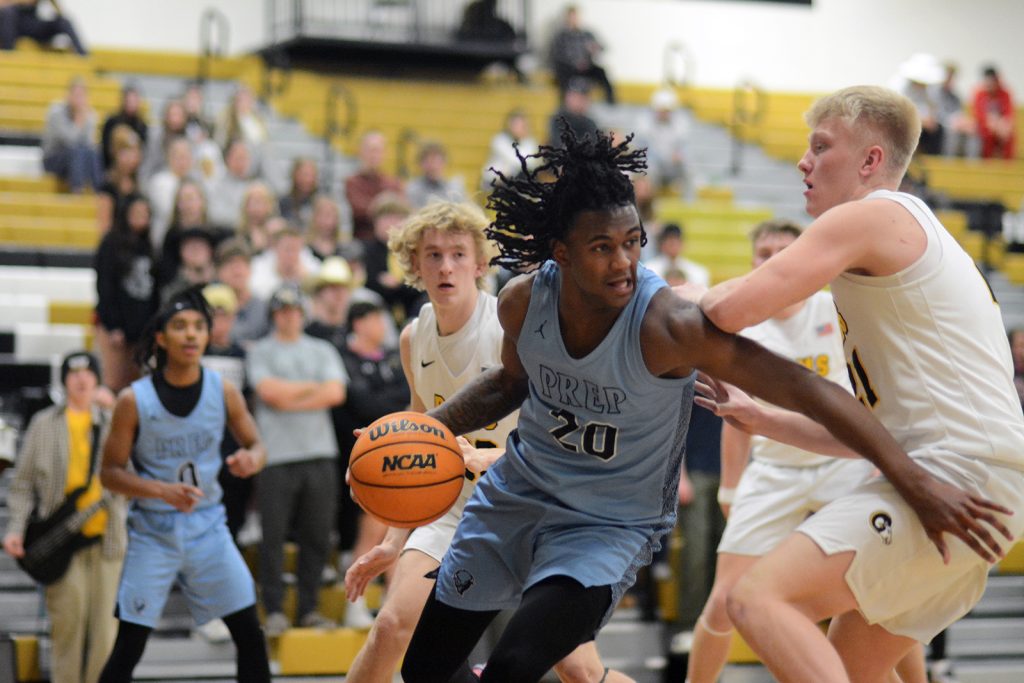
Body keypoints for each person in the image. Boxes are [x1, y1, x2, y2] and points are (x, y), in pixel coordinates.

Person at [397, 123, 1009, 683]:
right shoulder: (523, 300)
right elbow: (508, 383)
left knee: (513, 667)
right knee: (424, 669)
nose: (624, 263)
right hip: (516, 497)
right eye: (602, 247)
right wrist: (419, 429)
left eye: (633, 242)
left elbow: (809, 389)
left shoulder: (667, 325)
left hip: (605, 525)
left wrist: (914, 481)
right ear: (560, 251)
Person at [692, 85, 1024, 682]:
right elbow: (868, 433)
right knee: (846, 666)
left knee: (756, 599)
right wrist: (764, 420)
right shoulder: (904, 236)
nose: (804, 162)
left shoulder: (872, 215)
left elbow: (727, 310)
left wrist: (658, 295)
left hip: (958, 476)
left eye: (822, 146)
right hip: (980, 483)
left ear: (871, 160)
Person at [343, 199, 624, 683]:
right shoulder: (414, 338)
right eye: (433, 255)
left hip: (532, 505)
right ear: (414, 265)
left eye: (457, 254)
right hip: (452, 506)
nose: (445, 266)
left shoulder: (510, 328)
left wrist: (490, 457)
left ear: (479, 264)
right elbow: (420, 434)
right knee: (390, 626)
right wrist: (392, 539)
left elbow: (568, 431)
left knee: (578, 668)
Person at [685, 218, 926, 683]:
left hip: (843, 463)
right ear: (752, 262)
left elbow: (884, 390)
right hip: (775, 468)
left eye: (783, 251)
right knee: (723, 600)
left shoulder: (838, 308)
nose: (773, 260)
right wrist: (730, 488)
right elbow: (735, 418)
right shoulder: (739, 326)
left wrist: (882, 460)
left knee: (877, 599)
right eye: (764, 253)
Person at [97, 287, 270, 683]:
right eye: (180, 326)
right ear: (161, 338)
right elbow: (109, 473)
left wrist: (251, 460)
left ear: (207, 335)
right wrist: (161, 491)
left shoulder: (223, 390)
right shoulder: (133, 400)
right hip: (153, 532)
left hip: (209, 527)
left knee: (250, 634)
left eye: (198, 326)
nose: (191, 334)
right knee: (129, 645)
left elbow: (257, 445)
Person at [3, 351, 126, 683]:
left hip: (107, 540)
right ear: (64, 380)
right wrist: (15, 528)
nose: (82, 379)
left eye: (89, 373)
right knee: (67, 629)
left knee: (105, 634)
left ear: (98, 379)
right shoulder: (45, 423)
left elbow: (140, 464)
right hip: (61, 539)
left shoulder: (113, 420)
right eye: (74, 373)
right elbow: (23, 483)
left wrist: (117, 408)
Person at [247, 283, 347, 636]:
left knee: (317, 536)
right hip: (276, 455)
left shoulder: (321, 349)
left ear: (302, 314)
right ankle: (273, 608)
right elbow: (268, 392)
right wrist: (311, 388)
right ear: (274, 315)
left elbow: (335, 393)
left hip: (319, 452)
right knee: (272, 537)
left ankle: (309, 609)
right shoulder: (261, 350)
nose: (289, 317)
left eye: (294, 311)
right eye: (282, 311)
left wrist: (290, 395)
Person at [334, 300, 410, 628]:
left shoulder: (392, 357)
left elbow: (407, 395)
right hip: (363, 453)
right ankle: (355, 602)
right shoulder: (345, 357)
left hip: (400, 450)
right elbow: (363, 403)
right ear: (359, 323)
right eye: (376, 319)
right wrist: (391, 407)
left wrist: (389, 406)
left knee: (398, 530)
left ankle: (392, 603)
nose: (382, 326)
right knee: (373, 527)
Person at [93, 194, 158, 393]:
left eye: (145, 213)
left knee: (139, 386)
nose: (141, 217)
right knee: (113, 384)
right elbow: (105, 286)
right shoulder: (111, 243)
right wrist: (113, 325)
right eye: (136, 212)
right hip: (116, 329)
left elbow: (155, 290)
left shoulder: (150, 246)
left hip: (142, 331)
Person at [42, 76, 102, 193]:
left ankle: (99, 191)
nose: (79, 99)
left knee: (93, 153)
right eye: (76, 95)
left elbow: (89, 144)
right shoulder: (56, 113)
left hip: (77, 160)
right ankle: (76, 191)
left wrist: (85, 119)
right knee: (76, 152)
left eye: (82, 96)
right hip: (53, 159)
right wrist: (79, 120)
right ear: (68, 95)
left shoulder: (90, 115)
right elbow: (70, 141)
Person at [548, 4, 615, 104]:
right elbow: (556, 55)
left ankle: (611, 101)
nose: (574, 20)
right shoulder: (561, 36)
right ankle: (564, 103)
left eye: (576, 17)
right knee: (562, 72)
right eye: (572, 17)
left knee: (601, 71)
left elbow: (602, 48)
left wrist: (595, 48)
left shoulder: (587, 34)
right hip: (569, 68)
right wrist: (574, 63)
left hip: (586, 67)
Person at [345, 130, 404, 240]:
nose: (374, 155)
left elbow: (401, 210)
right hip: (363, 241)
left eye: (378, 151)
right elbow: (360, 209)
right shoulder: (352, 182)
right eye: (370, 150)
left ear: (384, 154)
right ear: (361, 152)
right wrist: (387, 205)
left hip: (390, 241)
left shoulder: (393, 183)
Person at [480, 108, 540, 193]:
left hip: (515, 180)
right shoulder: (499, 140)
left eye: (523, 125)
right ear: (509, 124)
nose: (520, 128)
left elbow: (531, 164)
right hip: (492, 181)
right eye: (517, 124)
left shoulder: (530, 142)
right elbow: (517, 160)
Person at [0, 0, 87, 54]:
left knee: (63, 22)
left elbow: (59, 12)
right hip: (14, 27)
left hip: (33, 25)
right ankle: (8, 53)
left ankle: (82, 54)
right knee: (8, 13)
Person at [643, 223, 710, 288]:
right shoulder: (649, 270)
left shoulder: (698, 272)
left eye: (676, 240)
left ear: (682, 243)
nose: (673, 244)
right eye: (669, 240)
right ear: (661, 244)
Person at [405, 141, 467, 209]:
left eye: (435, 160)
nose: (432, 166)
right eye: (427, 161)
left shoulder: (455, 189)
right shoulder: (412, 189)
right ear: (421, 164)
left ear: (444, 162)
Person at [100, 84, 148, 171]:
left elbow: (143, 150)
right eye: (129, 100)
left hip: (136, 169)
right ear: (123, 101)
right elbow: (105, 149)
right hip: (112, 167)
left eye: (134, 101)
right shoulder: (112, 122)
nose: (131, 104)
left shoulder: (142, 126)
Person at [973, 65, 1016, 159]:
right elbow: (979, 115)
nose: (989, 84)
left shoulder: (1005, 94)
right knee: (986, 133)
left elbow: (1009, 114)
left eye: (992, 81)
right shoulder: (979, 94)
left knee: (1008, 133)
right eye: (987, 81)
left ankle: (1007, 163)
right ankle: (988, 162)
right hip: (985, 126)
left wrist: (1001, 124)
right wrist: (991, 122)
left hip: (1001, 125)